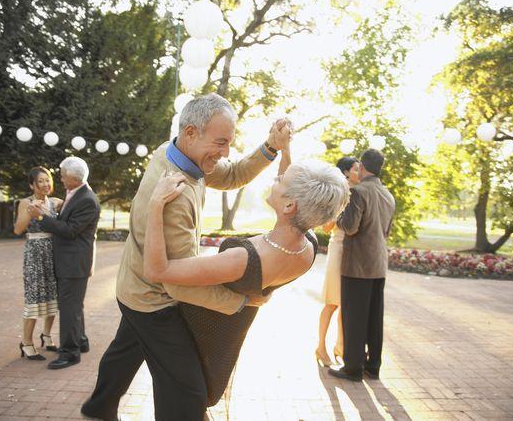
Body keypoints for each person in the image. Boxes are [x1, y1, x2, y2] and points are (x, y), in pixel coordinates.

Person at [81, 93, 291, 421]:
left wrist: (271, 147)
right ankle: (105, 408)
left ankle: (98, 408)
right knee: (186, 388)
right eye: (220, 142)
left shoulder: (178, 153)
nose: (224, 153)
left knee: (127, 350)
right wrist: (239, 304)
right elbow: (178, 284)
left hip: (133, 286)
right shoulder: (173, 197)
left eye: (229, 143)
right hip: (152, 300)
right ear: (191, 132)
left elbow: (234, 174)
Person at [144, 152, 349, 407]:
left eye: (281, 180)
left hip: (202, 327)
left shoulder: (242, 259)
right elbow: (300, 197)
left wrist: (154, 204)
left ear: (289, 206)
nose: (276, 177)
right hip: (234, 326)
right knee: (196, 394)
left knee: (183, 397)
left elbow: (157, 271)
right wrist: (285, 149)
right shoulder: (307, 247)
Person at [329, 149, 395, 382]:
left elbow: (350, 227)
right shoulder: (388, 194)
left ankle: (353, 368)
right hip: (378, 263)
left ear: (362, 167)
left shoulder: (358, 192)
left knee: (354, 317)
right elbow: (386, 231)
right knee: (374, 317)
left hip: (357, 265)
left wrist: (336, 214)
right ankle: (373, 366)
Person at [28, 156, 101, 370]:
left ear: (74, 178)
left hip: (74, 262)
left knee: (69, 308)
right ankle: (81, 341)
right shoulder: (76, 194)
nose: (59, 179)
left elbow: (70, 230)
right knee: (74, 306)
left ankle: (70, 353)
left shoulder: (86, 199)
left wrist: (41, 218)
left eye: (62, 175)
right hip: (71, 261)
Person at [13, 166, 62, 360]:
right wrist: (31, 212)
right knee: (34, 297)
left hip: (53, 252)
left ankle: (47, 335)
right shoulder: (25, 202)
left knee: (53, 296)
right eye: (40, 181)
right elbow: (18, 229)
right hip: (34, 254)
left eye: (47, 180)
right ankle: (26, 343)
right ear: (32, 184)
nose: (45, 184)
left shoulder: (57, 202)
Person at [315, 156, 360, 367]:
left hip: (354, 253)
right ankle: (321, 346)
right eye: (356, 168)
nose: (359, 171)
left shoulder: (361, 193)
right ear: (345, 172)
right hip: (338, 248)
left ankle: (340, 347)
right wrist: (342, 208)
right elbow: (325, 227)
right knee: (332, 302)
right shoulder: (337, 194)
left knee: (347, 304)